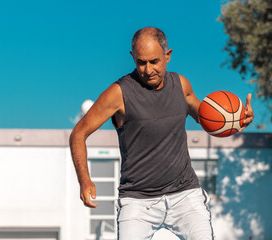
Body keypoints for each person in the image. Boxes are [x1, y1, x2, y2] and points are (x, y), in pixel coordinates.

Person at [69, 27, 254, 240]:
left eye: (154, 61)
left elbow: (207, 119)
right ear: (133, 58)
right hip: (138, 200)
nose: (148, 70)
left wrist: (237, 120)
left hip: (185, 195)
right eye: (141, 62)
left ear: (168, 56)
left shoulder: (181, 86)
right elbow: (78, 133)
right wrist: (85, 180)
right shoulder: (118, 93)